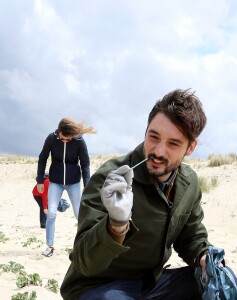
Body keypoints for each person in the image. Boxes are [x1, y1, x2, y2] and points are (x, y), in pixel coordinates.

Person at [61, 89, 212, 300]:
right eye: (154, 137)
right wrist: (116, 225)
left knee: (213, 282)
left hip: (153, 283)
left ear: (190, 148)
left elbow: (191, 236)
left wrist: (204, 257)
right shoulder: (111, 178)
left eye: (173, 144)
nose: (158, 151)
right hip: (101, 286)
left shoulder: (189, 183)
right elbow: (84, 261)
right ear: (146, 131)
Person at [36, 117, 96, 257]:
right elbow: (42, 158)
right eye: (63, 138)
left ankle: (84, 245)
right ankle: (49, 247)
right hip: (55, 181)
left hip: (74, 182)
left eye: (68, 139)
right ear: (59, 132)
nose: (65, 140)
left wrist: (87, 185)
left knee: (79, 215)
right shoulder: (51, 138)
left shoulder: (79, 141)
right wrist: (40, 180)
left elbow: (85, 164)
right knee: (51, 213)